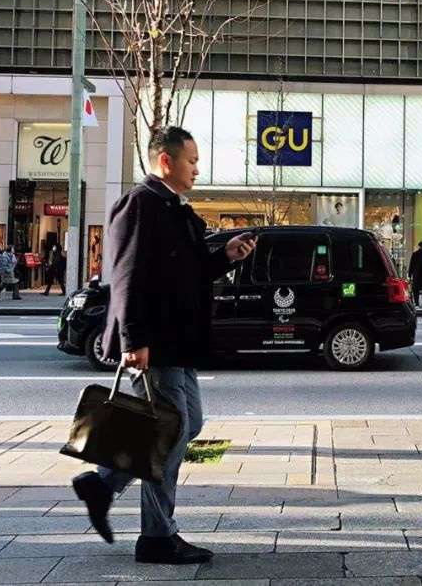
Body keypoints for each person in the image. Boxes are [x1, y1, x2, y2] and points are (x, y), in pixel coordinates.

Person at [71, 125, 256, 565]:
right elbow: (128, 276)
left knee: (187, 427)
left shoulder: (172, 208)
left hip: (180, 340)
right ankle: (157, 536)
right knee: (170, 435)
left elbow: (186, 273)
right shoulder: (141, 205)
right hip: (157, 341)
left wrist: (224, 256)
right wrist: (134, 341)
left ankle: (102, 483)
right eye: (191, 160)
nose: (197, 168)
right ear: (166, 162)